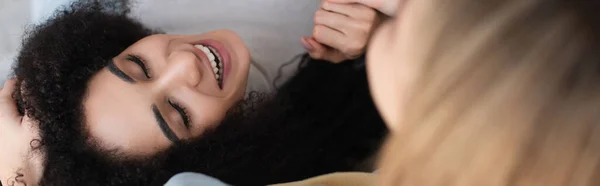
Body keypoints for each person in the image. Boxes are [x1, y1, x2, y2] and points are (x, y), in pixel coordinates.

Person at [0, 0, 386, 185]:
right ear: (212, 153)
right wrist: (390, 39)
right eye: (178, 113)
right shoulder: (322, 128)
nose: (184, 65)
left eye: (138, 66)